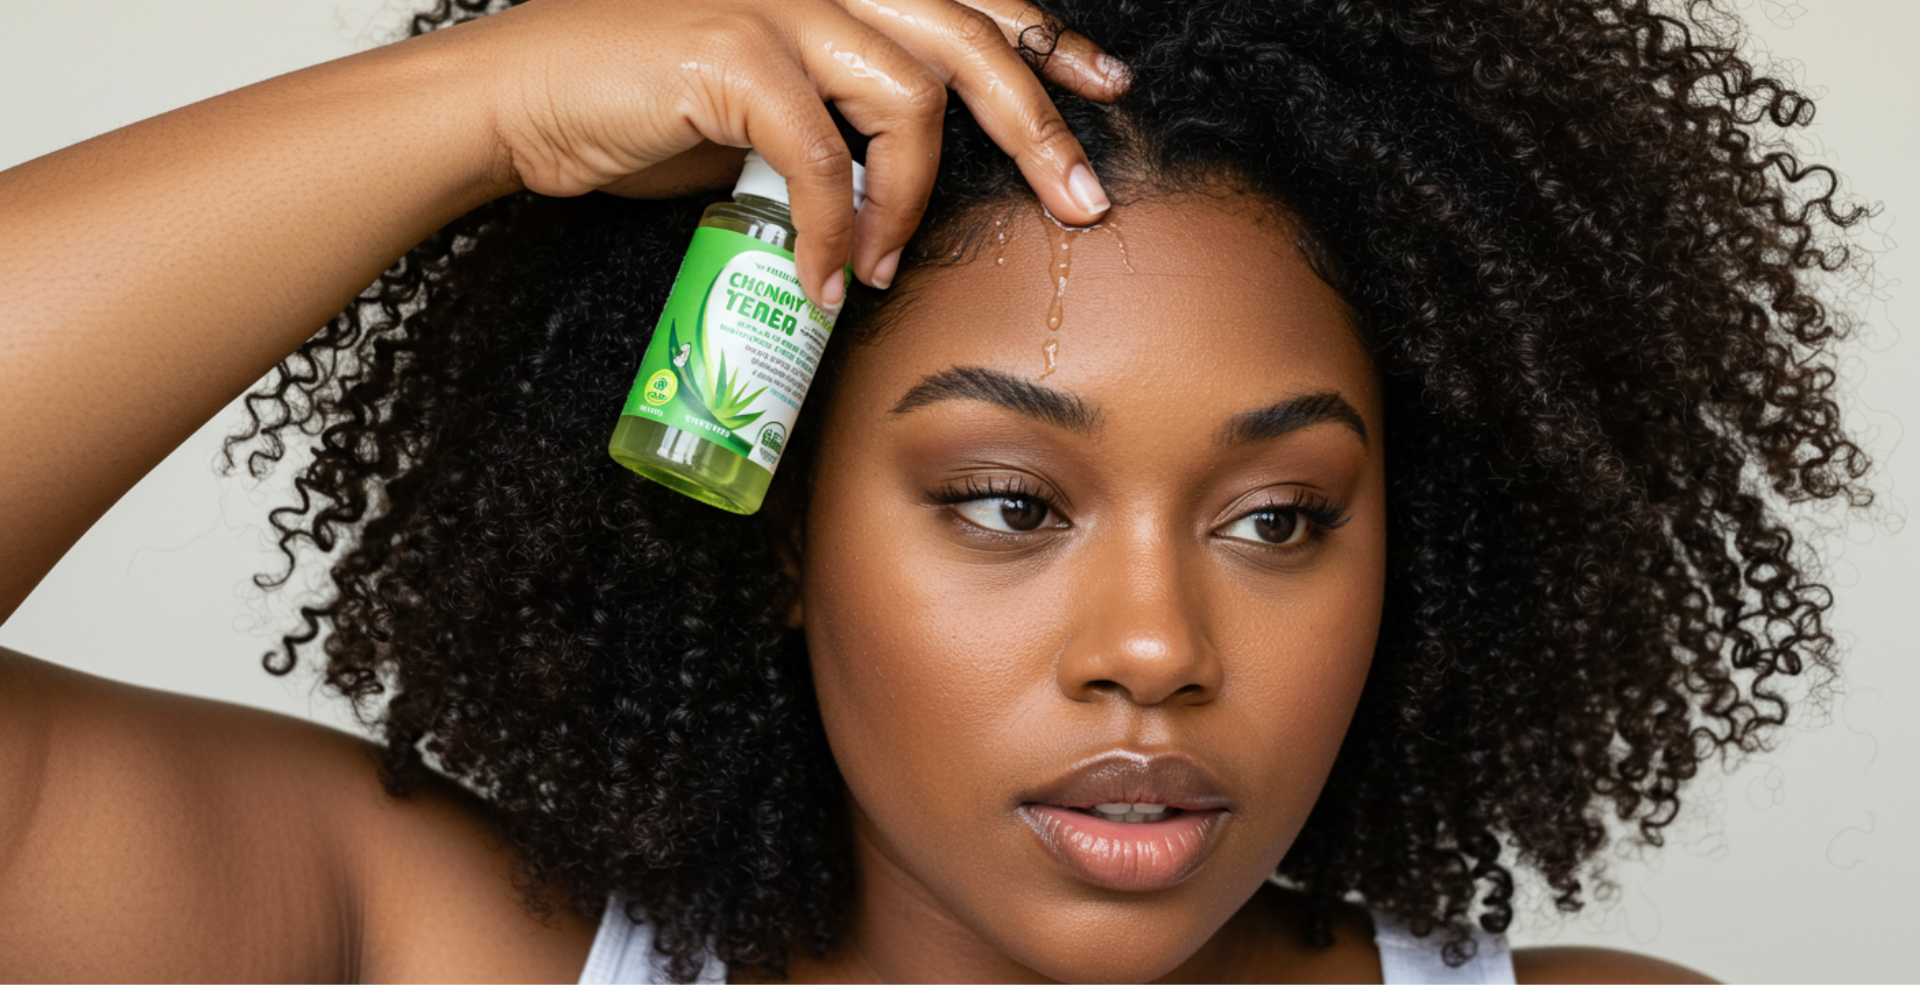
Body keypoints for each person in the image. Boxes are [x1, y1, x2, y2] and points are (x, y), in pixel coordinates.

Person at [0, 0, 1869, 980]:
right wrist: (488, 104)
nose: (1156, 649)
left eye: (1280, 518)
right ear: (783, 527)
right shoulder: (426, 949)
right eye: (1006, 500)